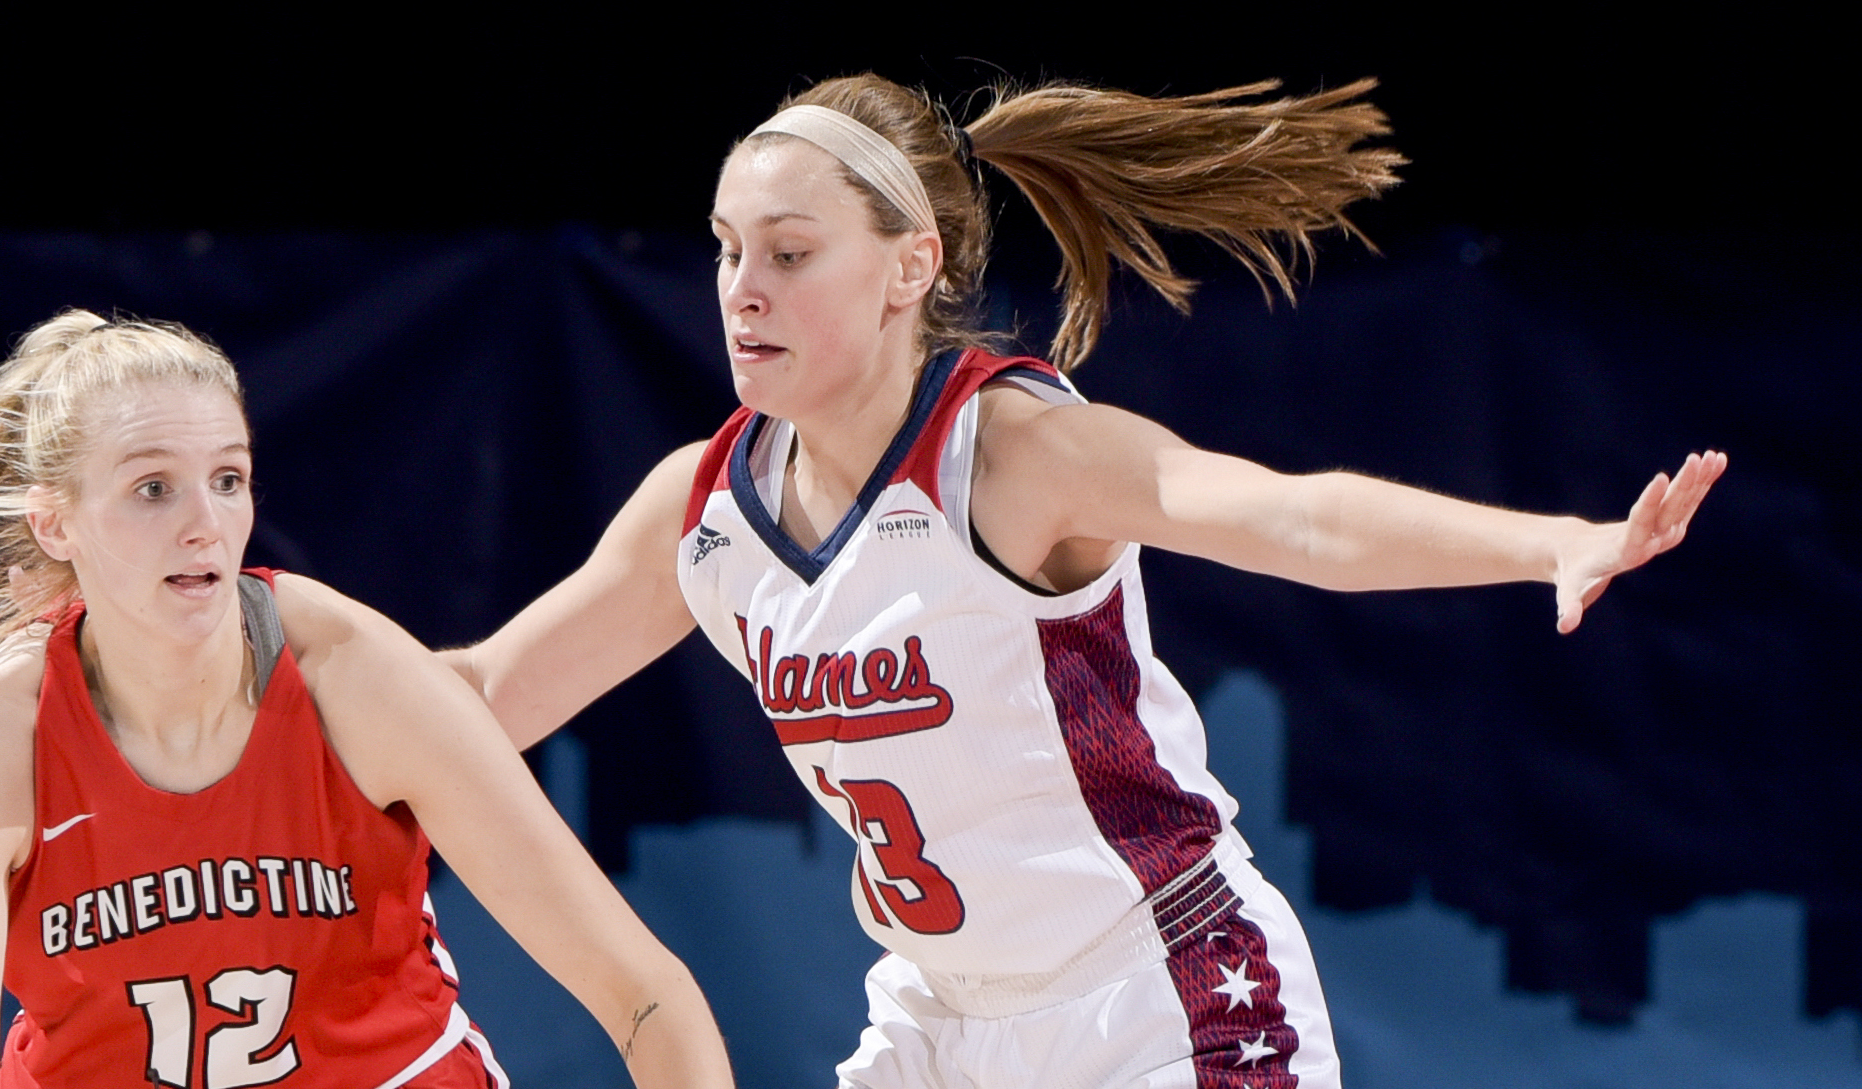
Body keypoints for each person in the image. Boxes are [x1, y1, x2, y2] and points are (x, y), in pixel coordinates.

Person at [448, 75, 1725, 1089]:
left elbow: (1292, 519)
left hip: (1160, 998)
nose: (741, 290)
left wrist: (1549, 542)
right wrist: (316, 664)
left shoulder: (1011, 455)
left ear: (909, 268)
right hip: (938, 1023)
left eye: (788, 254)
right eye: (728, 249)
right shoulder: (706, 511)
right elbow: (483, 700)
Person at [0, 311, 736, 1089]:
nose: (205, 523)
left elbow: (645, 995)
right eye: (153, 487)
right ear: (55, 523)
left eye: (228, 478)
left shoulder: (351, 675)